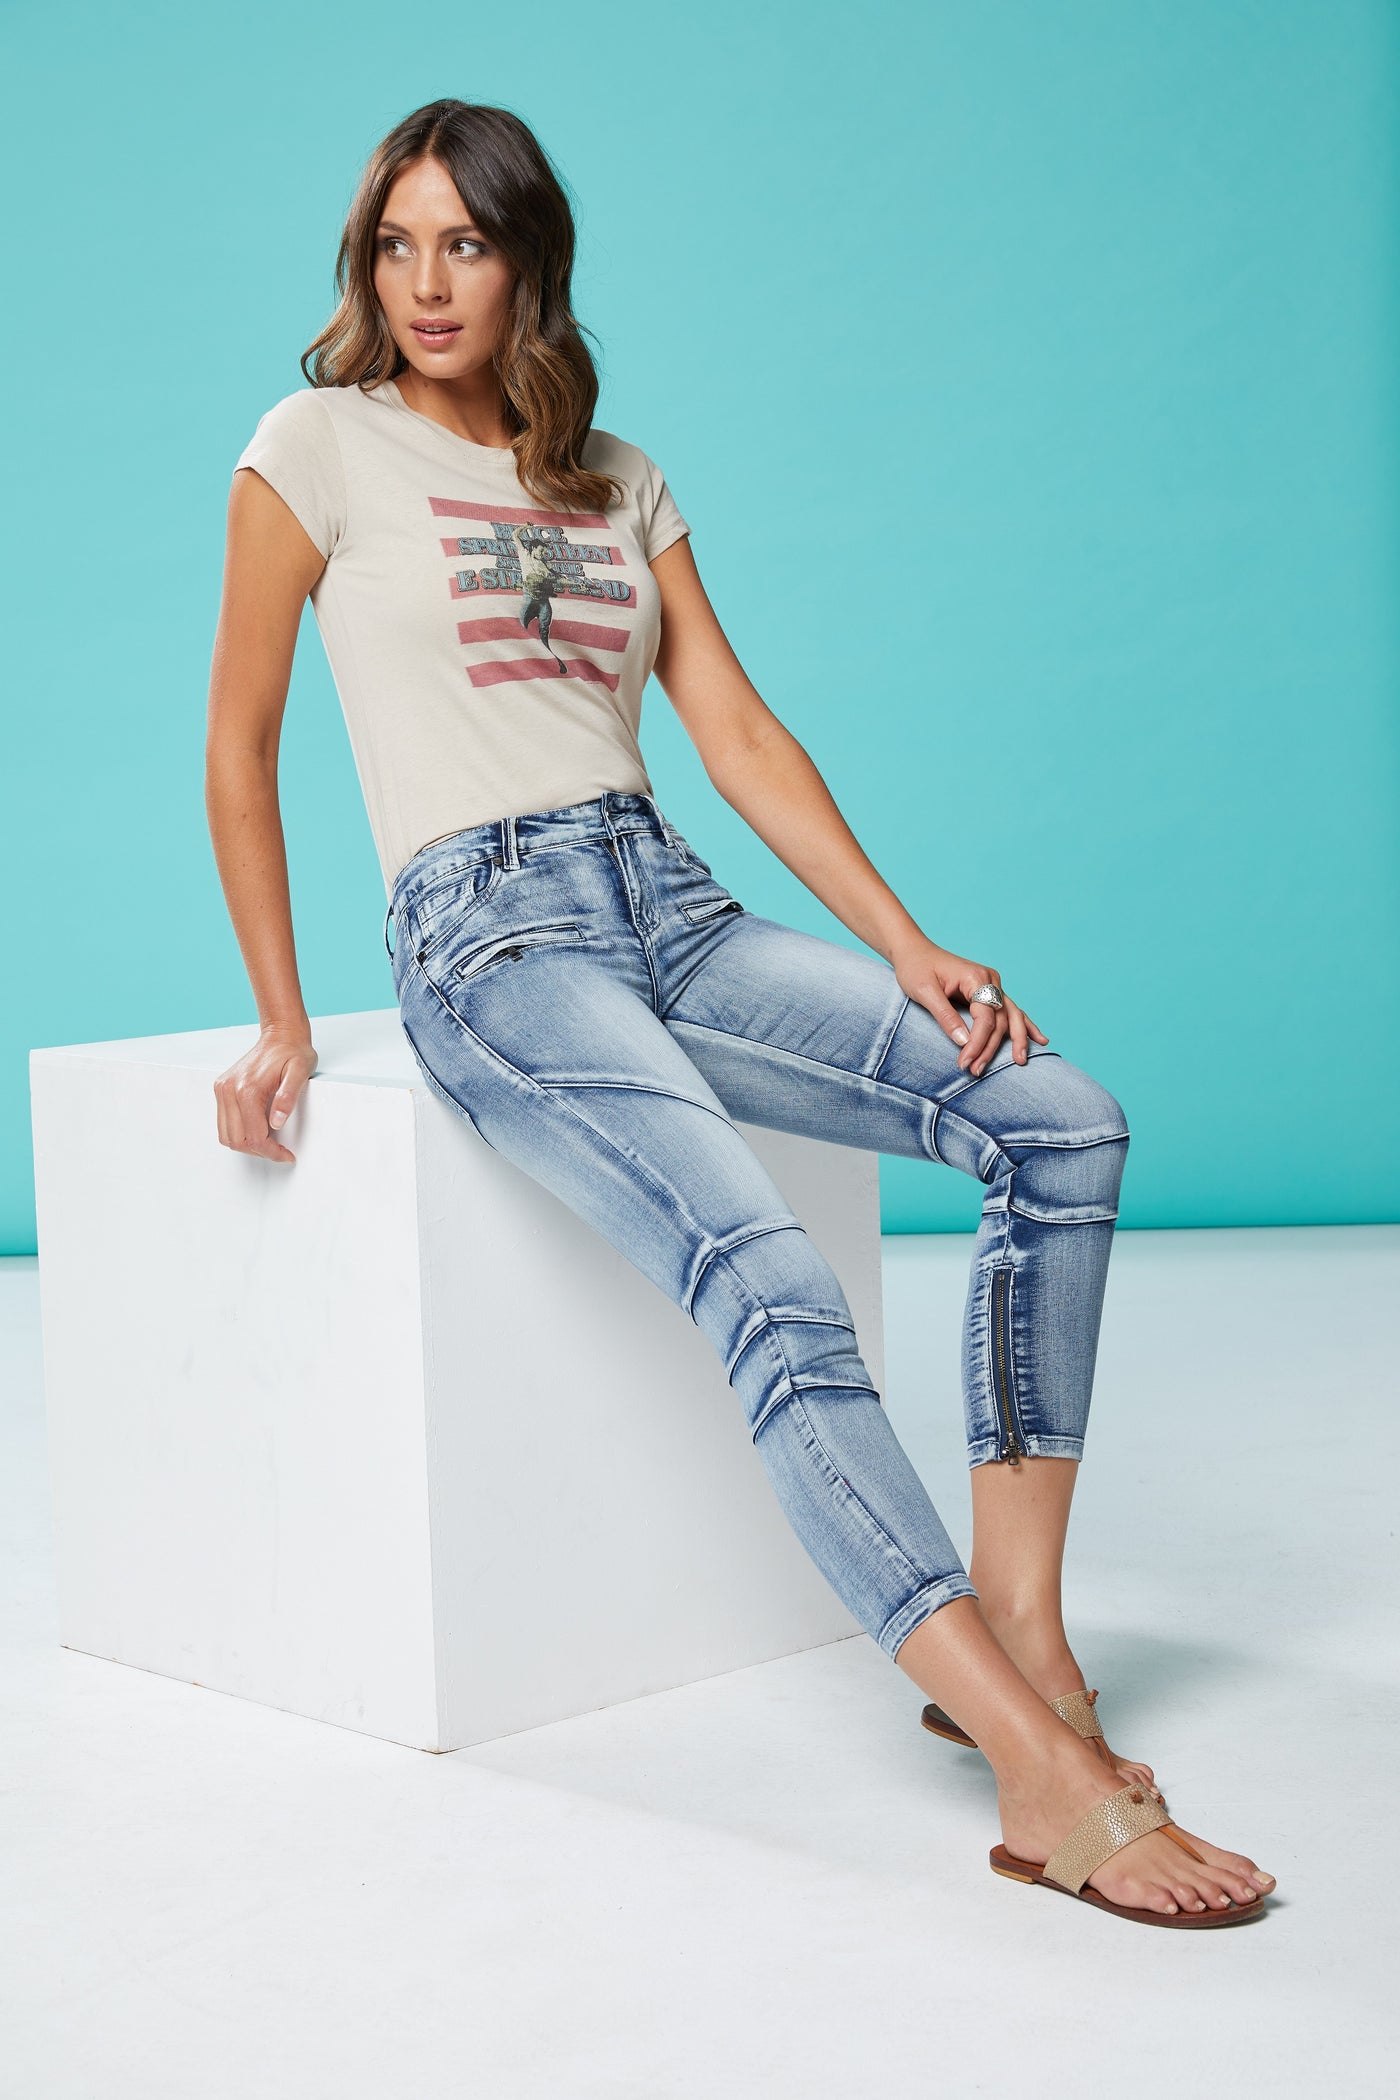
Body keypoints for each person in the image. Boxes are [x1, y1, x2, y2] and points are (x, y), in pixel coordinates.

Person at [206, 97, 1274, 1928]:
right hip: (490, 941)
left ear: (529, 264)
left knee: (1060, 1121)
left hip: (668, 903)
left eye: (466, 242)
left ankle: (1028, 1638)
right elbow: (239, 744)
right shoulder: (314, 446)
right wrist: (284, 1014)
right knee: (769, 1275)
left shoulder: (615, 476)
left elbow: (740, 731)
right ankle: (1033, 1767)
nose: (426, 281)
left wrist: (909, 942)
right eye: (395, 243)